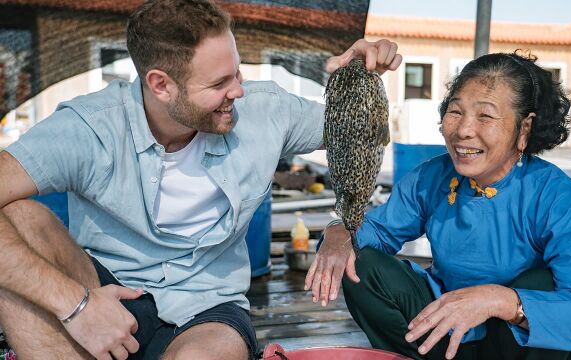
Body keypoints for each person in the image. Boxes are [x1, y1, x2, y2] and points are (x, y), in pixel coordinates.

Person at [0, 1, 402, 359]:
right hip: (105, 289)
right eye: (218, 84)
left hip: (208, 310)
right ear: (161, 84)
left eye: (237, 73)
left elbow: (358, 136)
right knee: (20, 218)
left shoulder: (267, 111)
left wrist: (358, 76)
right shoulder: (90, 129)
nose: (239, 92)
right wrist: (77, 305)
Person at [305, 50, 571, 359]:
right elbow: (374, 233)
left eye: (485, 115)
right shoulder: (432, 177)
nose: (463, 130)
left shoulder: (556, 197)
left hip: (519, 344)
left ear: (524, 129)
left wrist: (500, 301)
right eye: (455, 112)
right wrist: (338, 231)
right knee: (361, 265)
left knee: (543, 284)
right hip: (444, 330)